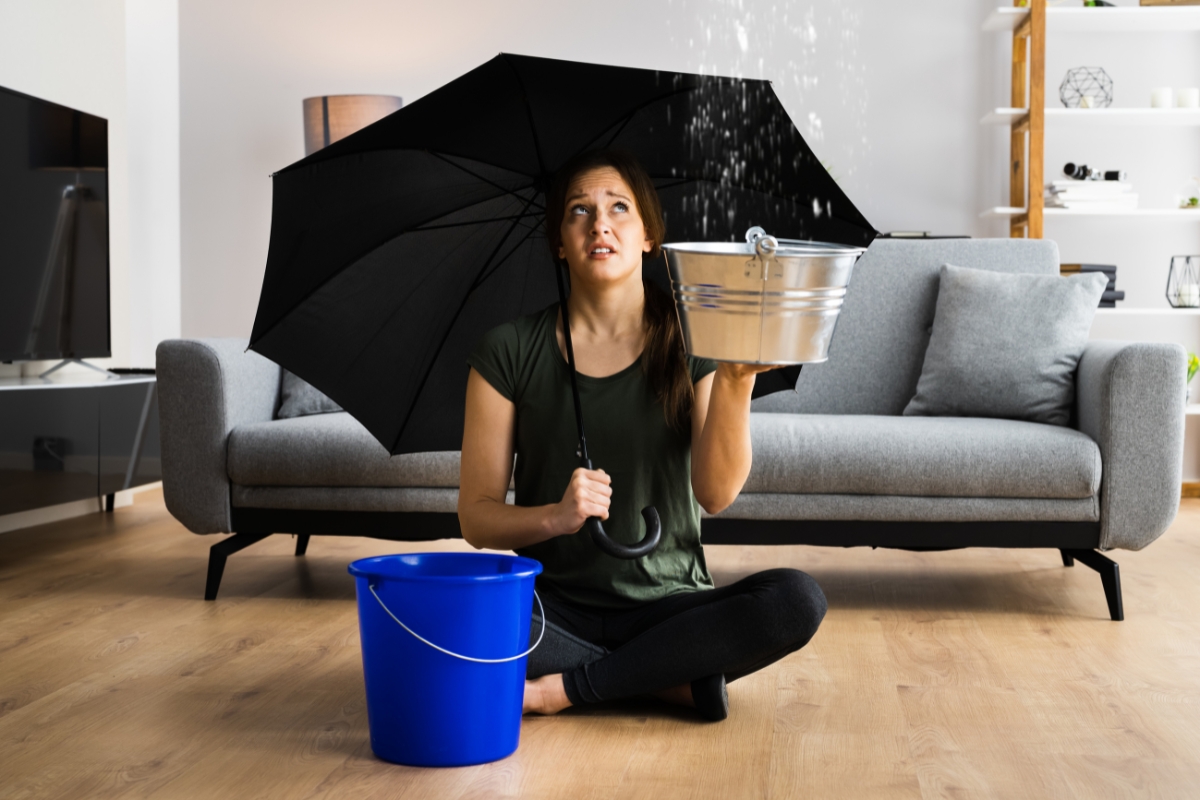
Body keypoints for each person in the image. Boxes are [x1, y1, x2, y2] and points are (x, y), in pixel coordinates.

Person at [458, 150, 826, 721]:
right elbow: (476, 519)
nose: (598, 223)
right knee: (453, 612)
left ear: (649, 235)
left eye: (618, 208)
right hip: (549, 608)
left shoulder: (696, 335)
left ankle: (568, 688)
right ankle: (663, 675)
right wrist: (554, 517)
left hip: (671, 605)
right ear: (559, 242)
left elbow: (716, 493)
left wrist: (733, 380)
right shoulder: (507, 349)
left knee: (795, 600)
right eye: (578, 211)